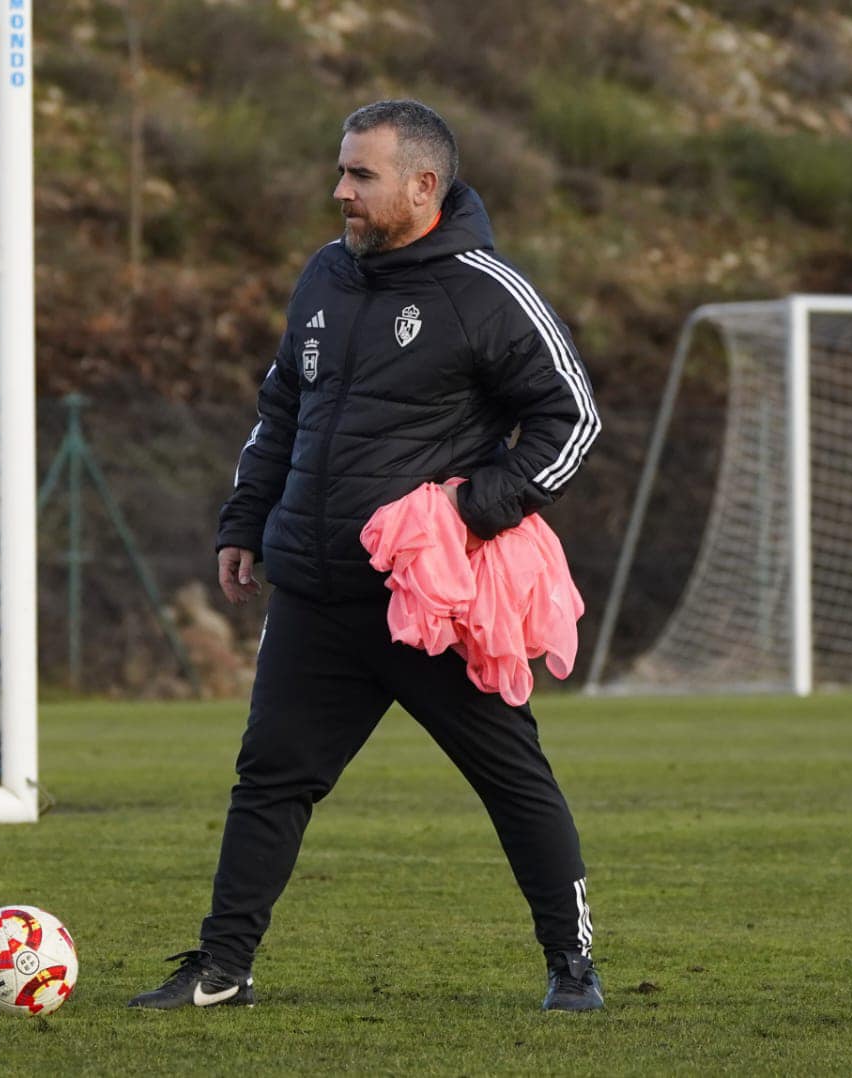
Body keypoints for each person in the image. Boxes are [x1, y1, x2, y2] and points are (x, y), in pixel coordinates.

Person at [127, 100, 604, 1013]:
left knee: (511, 781)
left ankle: (571, 966)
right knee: (270, 777)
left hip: (425, 601)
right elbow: (281, 410)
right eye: (340, 170)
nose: (338, 190)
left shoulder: (485, 289)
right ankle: (223, 969)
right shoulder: (324, 276)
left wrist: (477, 511)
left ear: (422, 186)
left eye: (360, 175)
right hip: (314, 591)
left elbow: (570, 418)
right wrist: (243, 522)